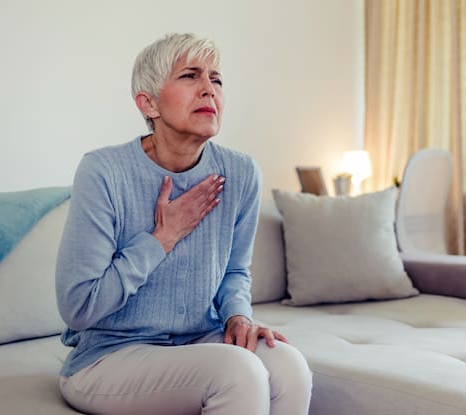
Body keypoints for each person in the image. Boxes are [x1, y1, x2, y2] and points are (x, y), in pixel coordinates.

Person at [55, 33, 312, 415]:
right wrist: (163, 238)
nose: (209, 90)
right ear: (149, 103)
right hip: (108, 357)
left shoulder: (240, 173)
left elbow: (235, 271)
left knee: (289, 366)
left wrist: (238, 317)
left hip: (198, 339)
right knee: (238, 372)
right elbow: (79, 307)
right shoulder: (104, 172)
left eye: (216, 79)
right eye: (190, 76)